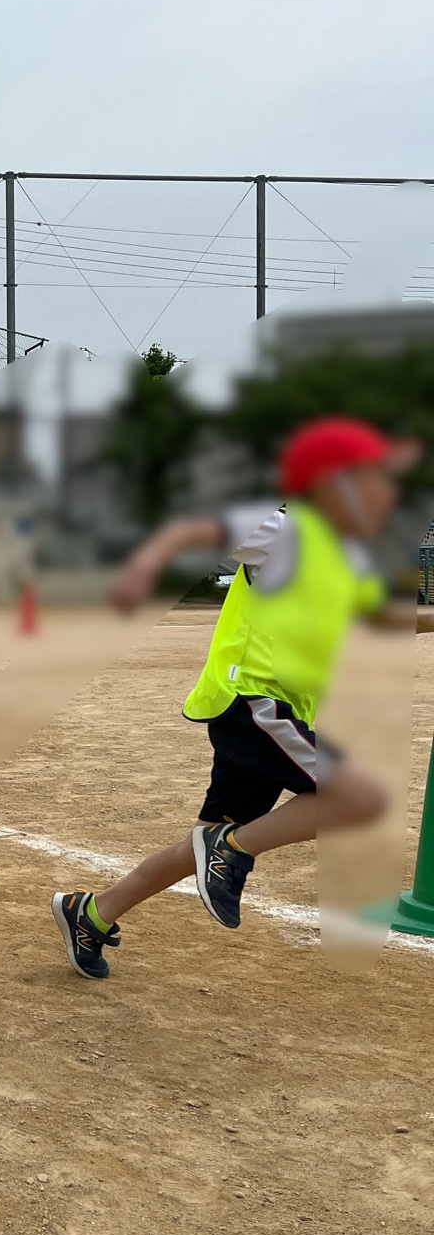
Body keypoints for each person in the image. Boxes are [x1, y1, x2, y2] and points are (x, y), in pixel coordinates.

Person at [52, 417, 418, 980]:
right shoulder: (284, 533)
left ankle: (92, 913)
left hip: (275, 713)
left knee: (201, 844)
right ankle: (233, 851)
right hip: (253, 703)